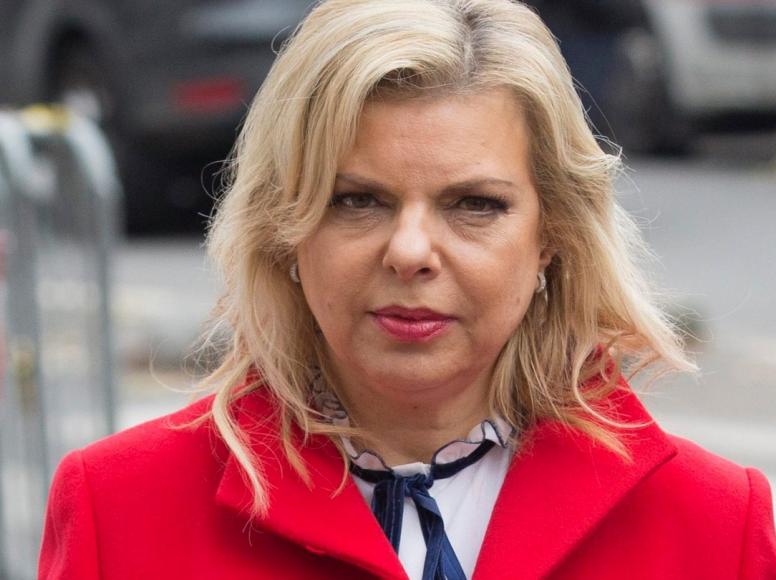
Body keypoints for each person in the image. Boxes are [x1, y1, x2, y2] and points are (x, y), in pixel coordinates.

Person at [38, 1, 776, 578]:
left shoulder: (715, 525)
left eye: (474, 204)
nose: (411, 252)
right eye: (357, 200)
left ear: (552, 234)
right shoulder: (119, 508)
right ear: (284, 226)